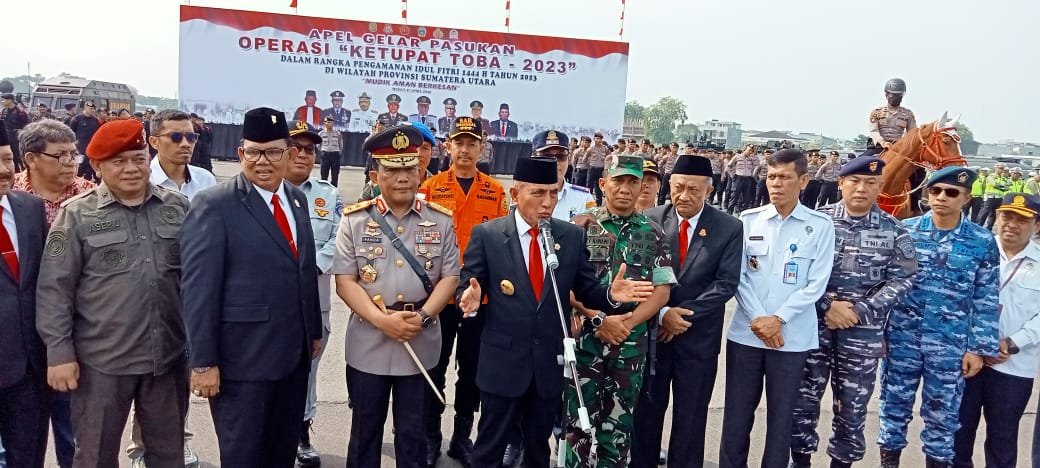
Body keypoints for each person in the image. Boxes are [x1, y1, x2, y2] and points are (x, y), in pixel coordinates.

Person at [457, 157, 655, 467]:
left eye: (552, 193)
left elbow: (586, 288)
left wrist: (610, 295)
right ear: (515, 194)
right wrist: (469, 297)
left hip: (547, 364)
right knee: (489, 447)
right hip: (503, 363)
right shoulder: (489, 235)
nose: (547, 202)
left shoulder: (569, 236)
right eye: (538, 193)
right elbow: (469, 282)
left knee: (538, 450)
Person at [36, 119, 191, 468]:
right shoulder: (76, 214)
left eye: (138, 158)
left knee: (169, 456)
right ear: (97, 165)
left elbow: (196, 280)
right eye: (118, 161)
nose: (131, 168)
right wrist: (59, 353)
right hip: (101, 364)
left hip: (165, 358)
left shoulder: (178, 207)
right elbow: (54, 289)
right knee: (95, 456)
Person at [179, 107, 323, 466]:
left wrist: (314, 331)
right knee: (243, 455)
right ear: (241, 153)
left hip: (293, 357)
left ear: (289, 153)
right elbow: (198, 290)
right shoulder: (215, 204)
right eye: (254, 152)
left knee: (281, 452)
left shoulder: (296, 199)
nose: (263, 162)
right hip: (241, 360)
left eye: (273, 152)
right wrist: (203, 362)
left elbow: (304, 271)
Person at [333, 124, 459, 467]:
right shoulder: (355, 221)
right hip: (369, 339)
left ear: (420, 172)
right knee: (365, 431)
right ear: (376, 176)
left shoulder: (440, 220)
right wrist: (381, 320)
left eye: (409, 169)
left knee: (413, 434)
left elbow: (450, 277)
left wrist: (422, 316)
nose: (402, 177)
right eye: (392, 170)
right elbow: (345, 281)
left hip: (420, 336)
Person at [789, 156, 918, 468]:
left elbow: (904, 278)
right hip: (812, 329)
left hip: (861, 335)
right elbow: (794, 270)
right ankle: (800, 460)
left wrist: (861, 310)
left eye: (870, 183)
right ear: (841, 183)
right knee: (802, 402)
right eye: (855, 181)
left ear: (879, 186)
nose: (862, 189)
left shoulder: (894, 230)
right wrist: (826, 305)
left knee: (852, 408)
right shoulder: (816, 222)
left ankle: (842, 463)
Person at [876, 166, 999, 468]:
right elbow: (883, 285)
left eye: (951, 192)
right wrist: (878, 333)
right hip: (901, 339)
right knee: (892, 410)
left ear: (966, 198)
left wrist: (977, 348)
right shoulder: (905, 231)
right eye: (935, 191)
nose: (942, 197)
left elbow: (986, 298)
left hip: (949, 345)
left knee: (942, 419)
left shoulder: (982, 241)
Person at [720, 149, 836, 468]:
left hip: (791, 338)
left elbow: (816, 283)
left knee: (781, 419)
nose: (776, 184)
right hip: (747, 334)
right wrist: (760, 318)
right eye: (771, 177)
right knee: (736, 417)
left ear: (804, 181)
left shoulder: (820, 226)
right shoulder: (748, 220)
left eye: (784, 177)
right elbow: (738, 277)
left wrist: (778, 319)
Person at [564, 155, 675, 468]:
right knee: (577, 426)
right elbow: (565, 285)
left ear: (641, 187)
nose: (625, 188)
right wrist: (599, 319)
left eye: (633, 182)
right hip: (585, 343)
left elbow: (662, 290)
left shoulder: (653, 232)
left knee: (618, 430)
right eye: (618, 180)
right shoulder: (578, 227)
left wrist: (625, 324)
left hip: (629, 346)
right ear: (603, 184)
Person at [632, 155, 742, 468]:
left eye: (694, 189)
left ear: (709, 190)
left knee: (690, 419)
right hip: (653, 336)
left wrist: (680, 315)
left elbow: (726, 283)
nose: (684, 195)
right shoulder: (650, 219)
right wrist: (662, 313)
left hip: (698, 341)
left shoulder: (729, 227)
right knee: (646, 415)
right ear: (669, 186)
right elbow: (639, 274)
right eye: (678, 187)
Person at [418, 116, 508, 466]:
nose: (465, 150)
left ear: (482, 148)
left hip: (478, 298)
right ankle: (430, 436)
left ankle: (461, 437)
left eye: (472, 143)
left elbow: (501, 247)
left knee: (472, 371)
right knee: (434, 367)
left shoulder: (495, 191)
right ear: (448, 146)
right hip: (438, 297)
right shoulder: (430, 188)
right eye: (459, 143)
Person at [953, 193, 1040, 468]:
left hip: (1013, 367)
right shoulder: (974, 252)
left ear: (1037, 225)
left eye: (1021, 220)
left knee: (1002, 440)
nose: (1011, 224)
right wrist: (977, 344)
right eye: (1006, 216)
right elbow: (954, 301)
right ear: (997, 217)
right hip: (967, 360)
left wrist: (1011, 343)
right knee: (957, 436)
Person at [285, 120, 342, 467]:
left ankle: (302, 432)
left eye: (309, 149)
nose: (303, 155)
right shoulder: (265, 191)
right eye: (295, 148)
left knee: (308, 370)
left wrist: (309, 269)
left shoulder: (328, 194)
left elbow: (339, 240)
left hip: (315, 302)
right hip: (273, 302)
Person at [0, 122, 49, 468]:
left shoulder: (30, 209)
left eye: (7, 159)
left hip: (29, 369)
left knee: (28, 457)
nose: (5, 170)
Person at [147, 110, 217, 200]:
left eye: (191, 137)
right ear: (154, 142)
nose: (186, 144)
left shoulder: (205, 180)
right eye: (175, 137)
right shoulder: (143, 181)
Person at [534, 130, 595, 221]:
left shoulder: (584, 198)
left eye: (561, 156)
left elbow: (593, 228)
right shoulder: (523, 196)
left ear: (568, 158)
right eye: (546, 156)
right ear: (533, 157)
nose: (555, 162)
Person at [865, 78, 917, 156]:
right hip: (877, 147)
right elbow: (874, 131)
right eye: (893, 95)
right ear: (886, 95)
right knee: (858, 161)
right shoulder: (876, 112)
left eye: (899, 95)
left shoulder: (908, 114)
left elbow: (912, 133)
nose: (896, 97)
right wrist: (883, 142)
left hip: (898, 148)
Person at [69, 101, 101, 181]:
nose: (92, 111)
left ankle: (88, 183)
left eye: (93, 109)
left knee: (90, 168)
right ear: (85, 108)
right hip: (80, 148)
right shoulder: (77, 119)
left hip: (91, 147)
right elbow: (70, 132)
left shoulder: (95, 120)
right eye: (90, 109)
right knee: (80, 168)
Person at [1, 94, 29, 173]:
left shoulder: (20, 111)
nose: (3, 101)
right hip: (7, 138)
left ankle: (24, 172)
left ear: (10, 100)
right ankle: (15, 173)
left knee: (19, 157)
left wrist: (21, 132)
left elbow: (26, 125)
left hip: (16, 139)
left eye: (4, 100)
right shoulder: (4, 111)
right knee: (11, 158)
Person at [978, 164, 1010, 229]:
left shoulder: (1003, 178)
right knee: (984, 212)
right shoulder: (991, 176)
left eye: (1003, 169)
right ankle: (978, 227)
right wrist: (1002, 186)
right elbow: (994, 184)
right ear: (996, 168)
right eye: (1000, 168)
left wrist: (1000, 186)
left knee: (994, 214)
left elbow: (1007, 187)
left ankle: (989, 228)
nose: (1002, 170)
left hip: (999, 198)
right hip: (990, 197)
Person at [318, 116, 343, 186]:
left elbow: (341, 145)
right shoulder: (321, 134)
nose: (329, 124)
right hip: (325, 155)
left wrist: (338, 152)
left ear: (333, 123)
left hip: (335, 155)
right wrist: (324, 151)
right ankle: (323, 189)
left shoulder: (338, 133)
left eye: (331, 122)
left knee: (335, 174)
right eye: (328, 122)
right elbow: (318, 145)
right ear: (324, 123)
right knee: (324, 174)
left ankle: (334, 189)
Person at [586, 133, 609, 204]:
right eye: (597, 138)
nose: (599, 140)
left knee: (599, 187)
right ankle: (588, 202)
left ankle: (598, 204)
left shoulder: (605, 149)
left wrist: (606, 168)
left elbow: (608, 158)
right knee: (589, 187)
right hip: (592, 170)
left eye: (600, 139)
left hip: (601, 170)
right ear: (594, 139)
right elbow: (585, 159)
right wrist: (590, 165)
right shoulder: (590, 149)